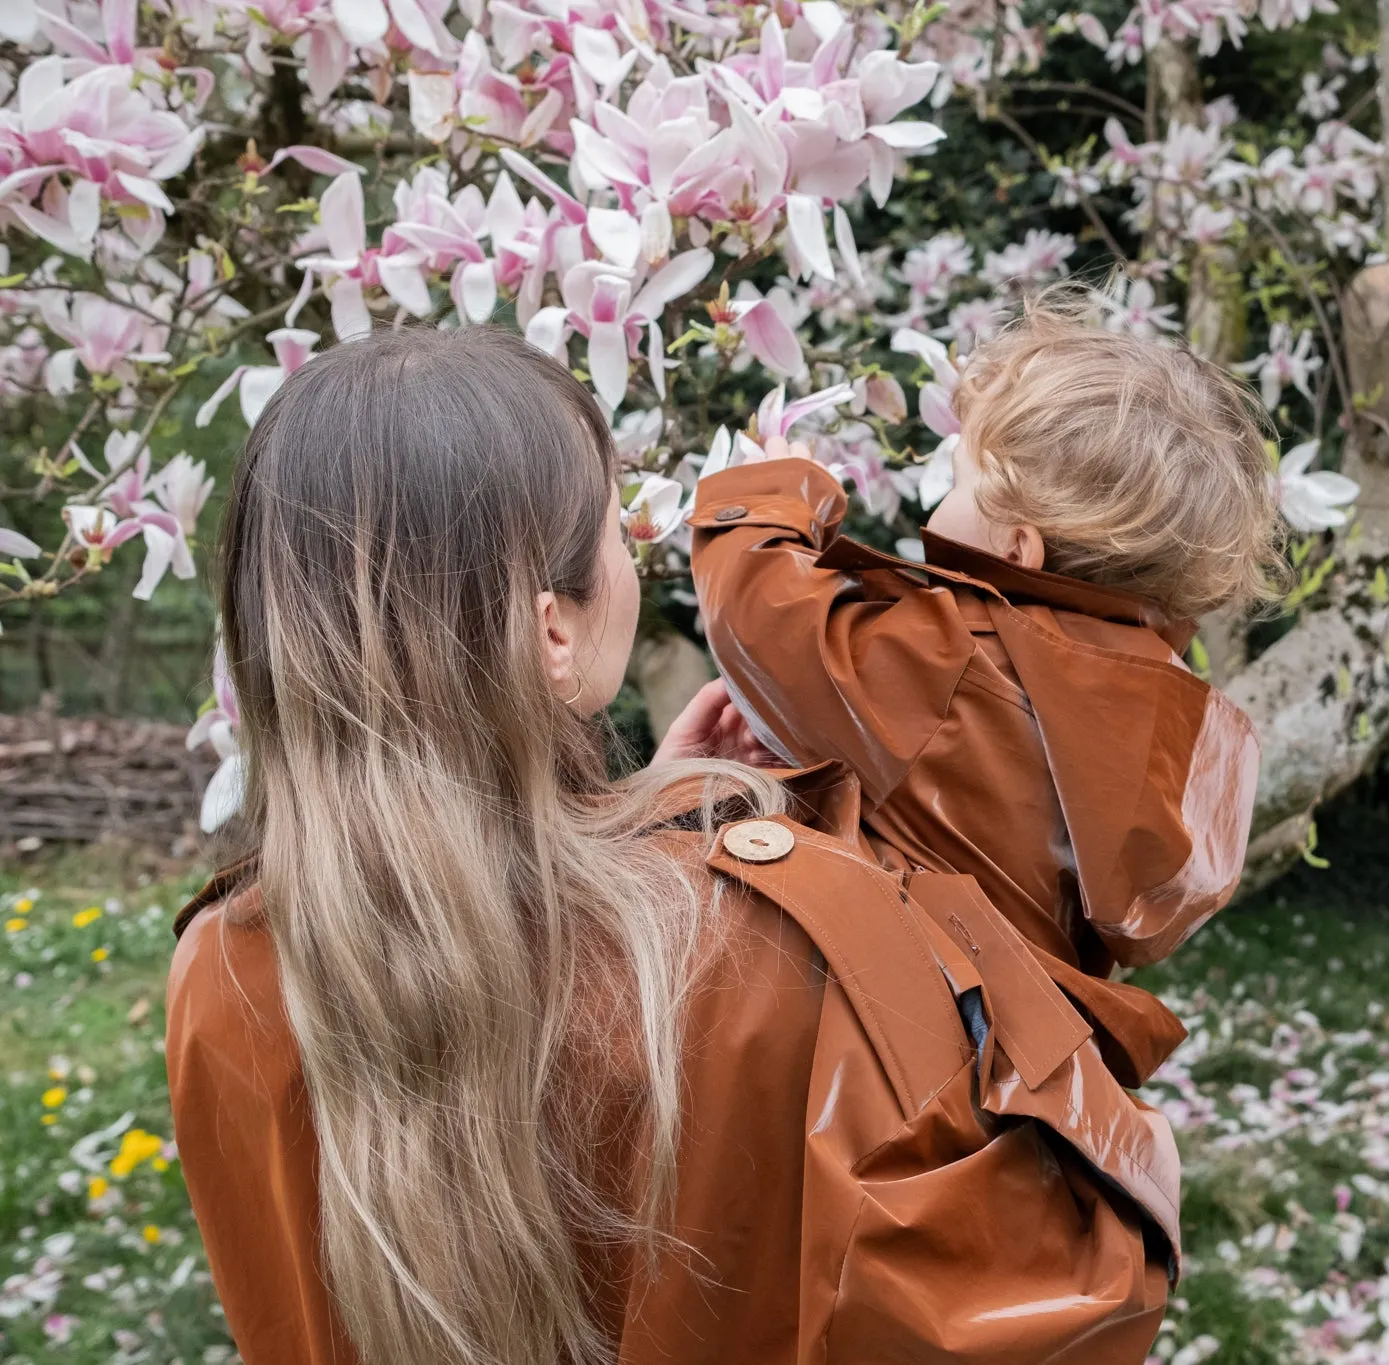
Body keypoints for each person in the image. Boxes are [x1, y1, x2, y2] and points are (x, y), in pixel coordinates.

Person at [164, 326, 1171, 1365]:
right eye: (615, 528)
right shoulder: (774, 943)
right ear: (552, 630)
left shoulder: (220, 969)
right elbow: (1049, 1300)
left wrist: (639, 812)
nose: (635, 554)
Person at [686, 299, 1282, 1083]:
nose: (937, 496)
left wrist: (766, 494)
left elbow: (764, 615)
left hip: (883, 1050)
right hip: (1005, 1062)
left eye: (959, 476)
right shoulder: (1164, 719)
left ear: (1017, 548)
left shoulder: (959, 663)